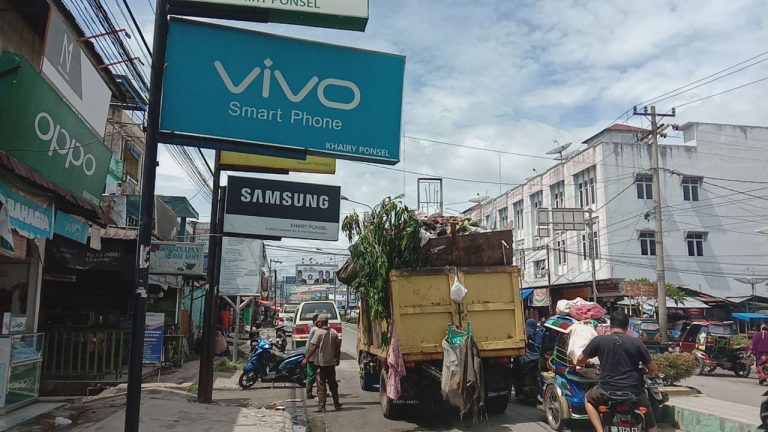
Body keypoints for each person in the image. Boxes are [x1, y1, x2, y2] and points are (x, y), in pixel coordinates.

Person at [576, 310, 658, 432]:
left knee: (588, 399)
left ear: (610, 326)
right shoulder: (637, 343)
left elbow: (579, 360)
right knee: (650, 420)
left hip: (606, 390)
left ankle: (600, 430)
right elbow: (653, 369)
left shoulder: (599, 340)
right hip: (634, 391)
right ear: (627, 327)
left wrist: (583, 364)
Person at [301, 314, 341, 412]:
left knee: (321, 385)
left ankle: (322, 407)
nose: (316, 323)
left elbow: (313, 348)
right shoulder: (334, 332)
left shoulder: (319, 333)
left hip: (320, 363)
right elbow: (337, 348)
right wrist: (337, 359)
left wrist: (306, 359)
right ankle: (337, 404)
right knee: (333, 384)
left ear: (321, 322)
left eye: (317, 322)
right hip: (331, 364)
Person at [305, 314, 320, 399]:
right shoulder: (316, 329)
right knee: (312, 375)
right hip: (312, 355)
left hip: (311, 354)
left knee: (314, 374)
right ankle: (309, 393)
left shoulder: (314, 329)